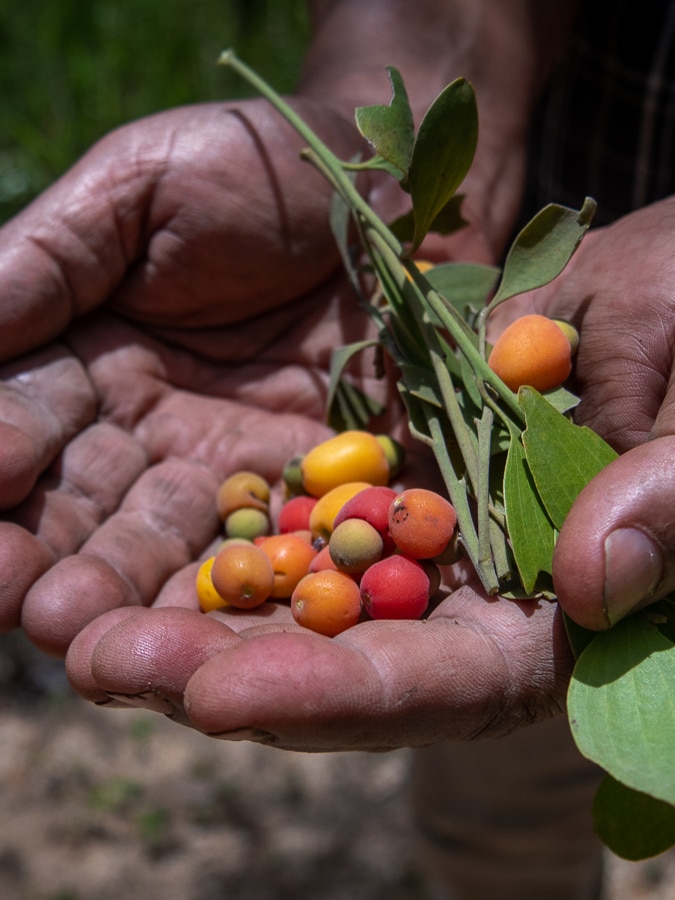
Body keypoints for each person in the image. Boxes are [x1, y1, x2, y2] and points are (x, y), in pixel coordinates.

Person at [0, 1, 673, 897]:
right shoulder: (406, 471)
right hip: (548, 291)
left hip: (601, 322)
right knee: (500, 810)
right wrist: (387, 98)